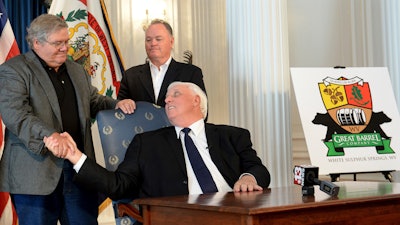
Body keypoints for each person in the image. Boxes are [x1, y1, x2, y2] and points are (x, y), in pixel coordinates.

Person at [0, 14, 135, 225]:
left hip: (79, 170)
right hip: (35, 175)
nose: (65, 48)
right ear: (37, 43)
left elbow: (93, 101)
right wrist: (51, 136)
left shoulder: (76, 69)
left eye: (66, 42)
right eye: (58, 43)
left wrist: (115, 104)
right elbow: (16, 115)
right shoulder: (13, 70)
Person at [45, 81, 271, 203]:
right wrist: (75, 156)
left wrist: (249, 177)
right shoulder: (147, 143)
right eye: (166, 96)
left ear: (196, 101)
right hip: (179, 217)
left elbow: (258, 169)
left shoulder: (233, 135)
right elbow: (118, 186)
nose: (167, 99)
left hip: (235, 212)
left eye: (175, 94)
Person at [117, 19, 207, 109]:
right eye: (148, 40)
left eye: (158, 39)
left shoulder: (191, 74)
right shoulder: (130, 76)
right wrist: (122, 104)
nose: (153, 43)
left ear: (171, 42)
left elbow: (201, 111)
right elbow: (119, 112)